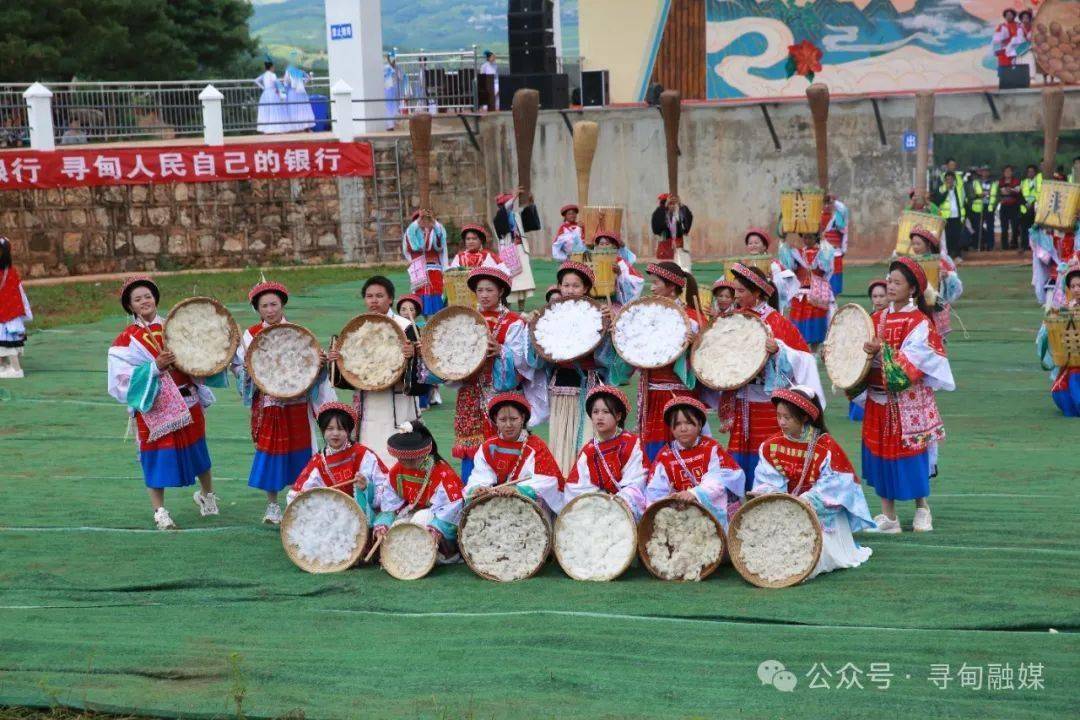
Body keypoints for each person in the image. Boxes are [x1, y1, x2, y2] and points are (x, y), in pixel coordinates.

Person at [106, 277, 218, 530]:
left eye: (147, 296)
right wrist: (155, 367)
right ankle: (160, 512)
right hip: (152, 407)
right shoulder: (125, 341)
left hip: (187, 400)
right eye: (137, 299)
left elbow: (202, 358)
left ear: (155, 298)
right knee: (155, 458)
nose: (144, 301)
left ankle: (207, 495)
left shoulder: (176, 327)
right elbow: (120, 380)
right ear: (130, 306)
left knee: (198, 452)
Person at [858, 258, 955, 533]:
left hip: (906, 404)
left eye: (897, 282)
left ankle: (922, 508)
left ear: (912, 289)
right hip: (878, 400)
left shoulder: (919, 322)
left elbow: (914, 361)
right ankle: (888, 516)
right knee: (879, 456)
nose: (890, 285)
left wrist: (880, 353)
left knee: (910, 456)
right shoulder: (875, 319)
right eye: (889, 280)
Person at [232, 279, 335, 524]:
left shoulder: (298, 333)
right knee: (272, 454)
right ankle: (272, 505)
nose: (270, 310)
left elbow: (312, 370)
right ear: (257, 309)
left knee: (301, 452)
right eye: (264, 305)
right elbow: (239, 369)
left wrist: (321, 364)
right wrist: (247, 370)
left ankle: (301, 499)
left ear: (282, 304)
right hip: (271, 405)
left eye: (274, 304)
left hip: (297, 403)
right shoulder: (250, 336)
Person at [749, 387, 875, 578]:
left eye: (788, 418)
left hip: (820, 512)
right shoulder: (770, 446)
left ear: (805, 417)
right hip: (784, 510)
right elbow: (768, 481)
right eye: (779, 416)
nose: (781, 422)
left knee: (810, 557)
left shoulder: (826, 446)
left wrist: (806, 501)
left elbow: (838, 484)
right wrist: (768, 493)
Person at [722, 264, 824, 486]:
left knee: (771, 451)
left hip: (770, 404)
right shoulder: (732, 319)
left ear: (757, 292)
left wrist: (779, 350)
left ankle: (770, 496)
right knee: (739, 455)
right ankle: (742, 502)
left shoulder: (777, 321)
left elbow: (804, 358)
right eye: (734, 291)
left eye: (741, 291)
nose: (735, 296)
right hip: (742, 399)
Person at [444, 266, 537, 483]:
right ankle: (473, 492)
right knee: (472, 448)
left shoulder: (513, 322)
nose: (484, 295)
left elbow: (524, 361)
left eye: (489, 290)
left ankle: (509, 488)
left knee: (506, 442)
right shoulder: (465, 319)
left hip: (501, 395)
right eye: (480, 290)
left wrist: (501, 352)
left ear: (501, 292)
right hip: (470, 396)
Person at [607, 262, 705, 462]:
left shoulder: (692, 320)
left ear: (671, 287)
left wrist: (694, 347)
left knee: (681, 436)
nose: (651, 287)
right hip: (652, 394)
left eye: (656, 283)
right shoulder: (644, 315)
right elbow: (635, 353)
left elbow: (705, 362)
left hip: (679, 394)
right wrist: (621, 338)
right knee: (654, 445)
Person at [528, 261, 616, 475]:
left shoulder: (598, 314)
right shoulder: (550, 315)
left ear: (585, 288)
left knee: (588, 435)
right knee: (561, 438)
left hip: (588, 385)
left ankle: (587, 483)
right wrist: (533, 328)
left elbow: (607, 359)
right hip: (560, 386)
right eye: (565, 285)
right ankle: (562, 483)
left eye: (575, 286)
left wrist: (609, 329)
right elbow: (539, 359)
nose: (569, 290)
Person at [331, 276, 420, 466]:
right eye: (369, 296)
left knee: (400, 455)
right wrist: (335, 363)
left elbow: (422, 375)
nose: (374, 300)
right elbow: (349, 376)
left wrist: (412, 356)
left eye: (379, 296)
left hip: (397, 404)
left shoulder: (406, 328)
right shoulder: (358, 328)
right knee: (369, 457)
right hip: (368, 403)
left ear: (390, 299)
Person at [646, 397, 745, 530]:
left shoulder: (711, 448)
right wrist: (669, 500)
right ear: (671, 427)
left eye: (688, 423)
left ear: (699, 424)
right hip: (680, 516)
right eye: (677, 424)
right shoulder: (664, 456)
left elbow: (719, 479)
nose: (683, 428)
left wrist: (695, 494)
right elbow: (654, 490)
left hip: (711, 512)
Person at [373, 421, 464, 563]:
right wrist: (384, 524)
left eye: (411, 458)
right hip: (413, 512)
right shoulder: (398, 470)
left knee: (420, 520)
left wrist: (436, 529)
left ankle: (443, 554)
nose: (405, 462)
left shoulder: (442, 472)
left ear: (425, 452)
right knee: (397, 528)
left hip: (434, 519)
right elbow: (390, 504)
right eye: (401, 458)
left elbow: (452, 509)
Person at [286, 403, 389, 529]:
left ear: (348, 431)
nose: (335, 433)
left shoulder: (363, 454)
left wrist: (367, 488)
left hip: (365, 514)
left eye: (340, 429)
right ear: (323, 431)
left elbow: (386, 487)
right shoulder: (319, 462)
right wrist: (303, 498)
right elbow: (296, 495)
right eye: (330, 429)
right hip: (332, 518)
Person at [465, 393, 565, 515]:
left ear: (522, 418)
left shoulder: (536, 446)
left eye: (513, 419)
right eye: (502, 420)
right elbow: (480, 476)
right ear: (496, 420)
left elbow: (546, 480)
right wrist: (479, 488)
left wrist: (519, 490)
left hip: (528, 502)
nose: (508, 425)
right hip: (495, 500)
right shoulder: (488, 447)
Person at [564, 385, 647, 521]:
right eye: (595, 412)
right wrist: (599, 501)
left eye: (606, 412)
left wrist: (618, 501)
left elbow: (637, 481)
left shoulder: (632, 443)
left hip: (625, 508)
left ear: (618, 415)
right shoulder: (589, 451)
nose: (599, 417)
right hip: (596, 511)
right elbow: (576, 487)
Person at [1036, 266, 1080, 417]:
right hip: (1072, 359)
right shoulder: (1066, 308)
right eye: (1073, 286)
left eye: (1079, 285)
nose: (1076, 289)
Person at [906, 226, 963, 340]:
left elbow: (956, 287)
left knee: (935, 340)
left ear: (928, 245)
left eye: (918, 244)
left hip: (936, 308)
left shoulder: (942, 261)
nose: (915, 247)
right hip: (916, 306)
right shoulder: (910, 262)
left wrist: (946, 277)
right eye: (913, 244)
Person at [781, 231, 835, 349]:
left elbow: (826, 268)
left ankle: (815, 349)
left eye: (810, 237)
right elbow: (789, 266)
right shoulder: (797, 253)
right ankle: (803, 348)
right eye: (804, 237)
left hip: (818, 292)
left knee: (816, 324)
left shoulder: (823, 252)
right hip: (801, 293)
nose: (807, 240)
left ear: (816, 237)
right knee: (800, 323)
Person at [849, 279, 889, 422]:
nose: (878, 300)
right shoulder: (867, 319)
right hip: (869, 372)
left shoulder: (896, 319)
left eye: (882, 296)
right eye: (875, 296)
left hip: (889, 374)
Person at [492, 189, 539, 310]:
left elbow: (529, 219)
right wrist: (515, 195)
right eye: (509, 202)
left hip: (521, 250)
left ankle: (522, 310)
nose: (511, 204)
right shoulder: (499, 217)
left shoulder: (516, 215)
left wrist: (530, 204)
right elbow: (505, 209)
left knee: (523, 283)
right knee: (511, 284)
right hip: (509, 252)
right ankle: (506, 309)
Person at [402, 209, 449, 317]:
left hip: (434, 268)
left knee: (436, 293)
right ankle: (426, 320)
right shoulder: (411, 232)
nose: (424, 223)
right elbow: (414, 246)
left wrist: (433, 224)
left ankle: (436, 319)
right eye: (421, 221)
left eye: (426, 220)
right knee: (421, 294)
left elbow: (440, 244)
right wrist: (419, 221)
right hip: (419, 268)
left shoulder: (436, 230)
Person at [743, 227, 799, 314]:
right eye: (750, 243)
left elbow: (784, 283)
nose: (753, 245)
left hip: (768, 301)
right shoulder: (744, 264)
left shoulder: (774, 264)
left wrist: (770, 281)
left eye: (756, 243)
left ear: (765, 246)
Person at [395, 294, 436, 410]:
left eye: (411, 309)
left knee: (419, 378)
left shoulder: (422, 326)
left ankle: (423, 402)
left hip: (418, 363)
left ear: (416, 312)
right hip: (402, 363)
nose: (407, 312)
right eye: (403, 309)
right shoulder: (396, 327)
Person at [0, 237, 32, 379]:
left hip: (5, 315)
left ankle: (16, 369)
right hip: (10, 313)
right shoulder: (12, 272)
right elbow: (20, 293)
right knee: (6, 342)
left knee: (8, 344)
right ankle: (3, 366)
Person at [592, 232, 645, 306]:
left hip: (616, 303)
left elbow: (637, 282)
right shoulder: (592, 262)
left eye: (607, 244)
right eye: (601, 244)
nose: (604, 247)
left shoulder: (621, 264)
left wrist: (620, 274)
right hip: (596, 300)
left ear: (614, 247)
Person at [650, 193, 693, 269]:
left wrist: (681, 205)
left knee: (682, 268)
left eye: (674, 204)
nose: (672, 206)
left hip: (679, 246)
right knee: (666, 268)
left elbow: (687, 223)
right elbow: (656, 229)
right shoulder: (660, 213)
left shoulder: (679, 214)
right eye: (670, 204)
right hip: (666, 246)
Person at [821, 194, 849, 295]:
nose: (827, 206)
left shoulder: (839, 216)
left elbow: (843, 209)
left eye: (830, 203)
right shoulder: (818, 216)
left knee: (835, 286)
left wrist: (833, 201)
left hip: (836, 253)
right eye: (825, 203)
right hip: (822, 255)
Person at [935, 171, 967, 261]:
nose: (949, 181)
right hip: (945, 217)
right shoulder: (941, 189)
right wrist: (946, 190)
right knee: (947, 237)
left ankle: (957, 255)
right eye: (947, 179)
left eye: (951, 179)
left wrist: (963, 216)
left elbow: (963, 201)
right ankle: (948, 256)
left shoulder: (958, 189)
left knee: (957, 236)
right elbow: (938, 201)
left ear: (954, 180)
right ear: (944, 180)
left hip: (957, 216)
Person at [283, 52, 316, 132]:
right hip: (301, 93)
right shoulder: (300, 71)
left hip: (292, 92)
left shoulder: (289, 70)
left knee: (293, 109)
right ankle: (305, 127)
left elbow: (286, 82)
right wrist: (302, 84)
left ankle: (295, 128)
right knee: (303, 109)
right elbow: (308, 78)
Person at [255, 57, 288, 134]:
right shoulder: (273, 75)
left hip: (265, 93)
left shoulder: (264, 75)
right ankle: (275, 128)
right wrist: (281, 91)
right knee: (274, 109)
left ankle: (266, 129)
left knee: (266, 110)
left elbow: (256, 80)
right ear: (271, 67)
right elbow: (277, 83)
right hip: (272, 93)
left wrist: (263, 88)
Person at [971, 166, 998, 251]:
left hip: (989, 207)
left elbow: (997, 196)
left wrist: (994, 205)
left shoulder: (994, 183)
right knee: (978, 228)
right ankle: (978, 245)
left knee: (990, 227)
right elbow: (971, 195)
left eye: (987, 171)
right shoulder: (975, 182)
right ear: (980, 172)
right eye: (983, 171)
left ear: (989, 173)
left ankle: (990, 245)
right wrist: (978, 195)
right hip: (978, 207)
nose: (985, 173)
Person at [998, 165, 1022, 251]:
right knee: (1004, 227)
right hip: (1004, 206)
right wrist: (1011, 190)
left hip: (1014, 206)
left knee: (1014, 226)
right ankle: (1004, 245)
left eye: (1009, 171)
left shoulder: (1016, 181)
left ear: (1012, 172)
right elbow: (1002, 192)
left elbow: (1018, 191)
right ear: (1003, 172)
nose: (1007, 173)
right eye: (1006, 171)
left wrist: (1010, 191)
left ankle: (1014, 243)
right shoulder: (1000, 181)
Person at [383, 51, 408, 131]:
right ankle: (389, 125)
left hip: (394, 92)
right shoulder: (385, 68)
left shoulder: (397, 68)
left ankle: (392, 124)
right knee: (388, 108)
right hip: (387, 91)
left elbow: (402, 77)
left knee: (393, 108)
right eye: (390, 59)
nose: (392, 60)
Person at [1020, 165, 1042, 251]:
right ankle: (1024, 245)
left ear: (1035, 173)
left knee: (1035, 227)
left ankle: (1034, 245)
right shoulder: (1023, 182)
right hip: (1025, 207)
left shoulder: (1038, 181)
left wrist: (1033, 202)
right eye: (1029, 171)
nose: (1030, 173)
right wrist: (1025, 203)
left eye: (1032, 171)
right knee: (1024, 228)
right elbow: (1020, 194)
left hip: (1035, 206)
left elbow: (1039, 193)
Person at [992, 9, 1020, 74]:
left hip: (1016, 50)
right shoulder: (1001, 26)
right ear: (1004, 16)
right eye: (1007, 15)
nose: (1009, 16)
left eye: (1010, 14)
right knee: (1004, 71)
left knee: (1016, 70)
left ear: (1014, 16)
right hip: (1004, 51)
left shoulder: (1019, 25)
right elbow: (996, 40)